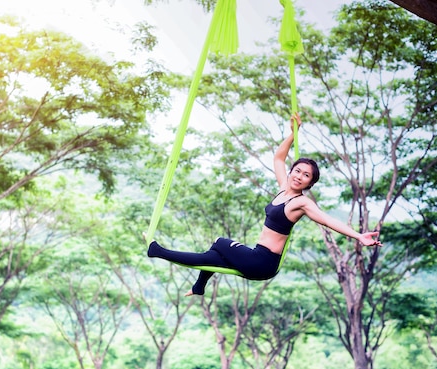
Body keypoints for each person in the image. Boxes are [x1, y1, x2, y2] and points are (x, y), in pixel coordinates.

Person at [147, 113, 382, 296]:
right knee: (213, 257)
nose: (299, 176)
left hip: (264, 262)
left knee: (219, 243)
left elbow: (328, 220)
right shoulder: (283, 188)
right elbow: (279, 157)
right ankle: (197, 285)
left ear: (310, 183)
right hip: (255, 255)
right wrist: (292, 134)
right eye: (297, 171)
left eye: (306, 176)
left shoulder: (301, 202)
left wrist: (358, 236)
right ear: (291, 172)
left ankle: (159, 252)